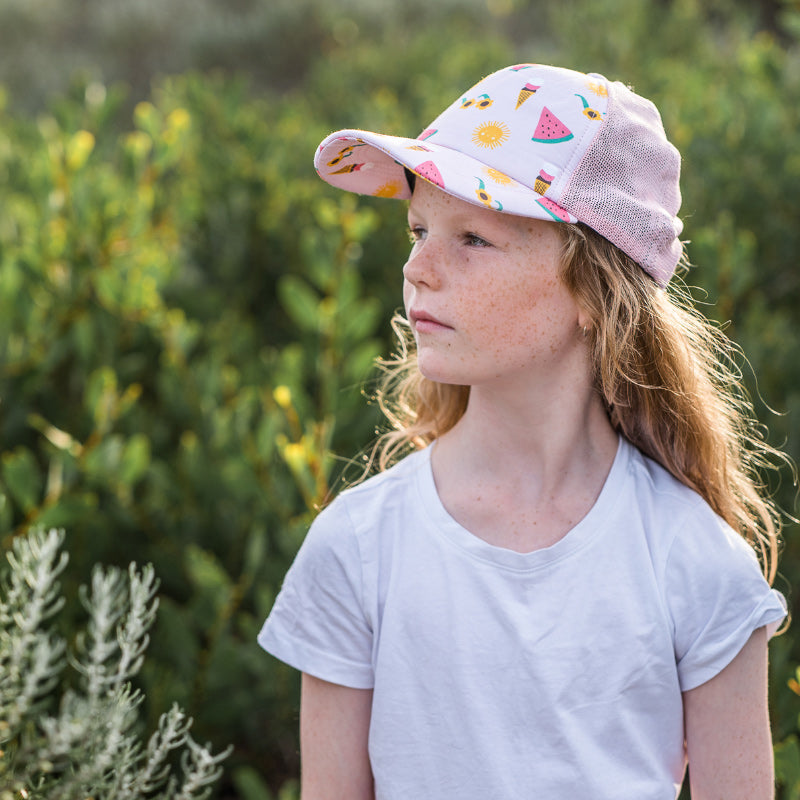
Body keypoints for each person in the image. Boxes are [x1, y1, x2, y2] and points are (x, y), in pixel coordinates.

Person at [258, 63, 789, 799]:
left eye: (473, 238)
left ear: (595, 292)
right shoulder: (359, 547)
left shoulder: (696, 564)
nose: (418, 267)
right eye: (417, 230)